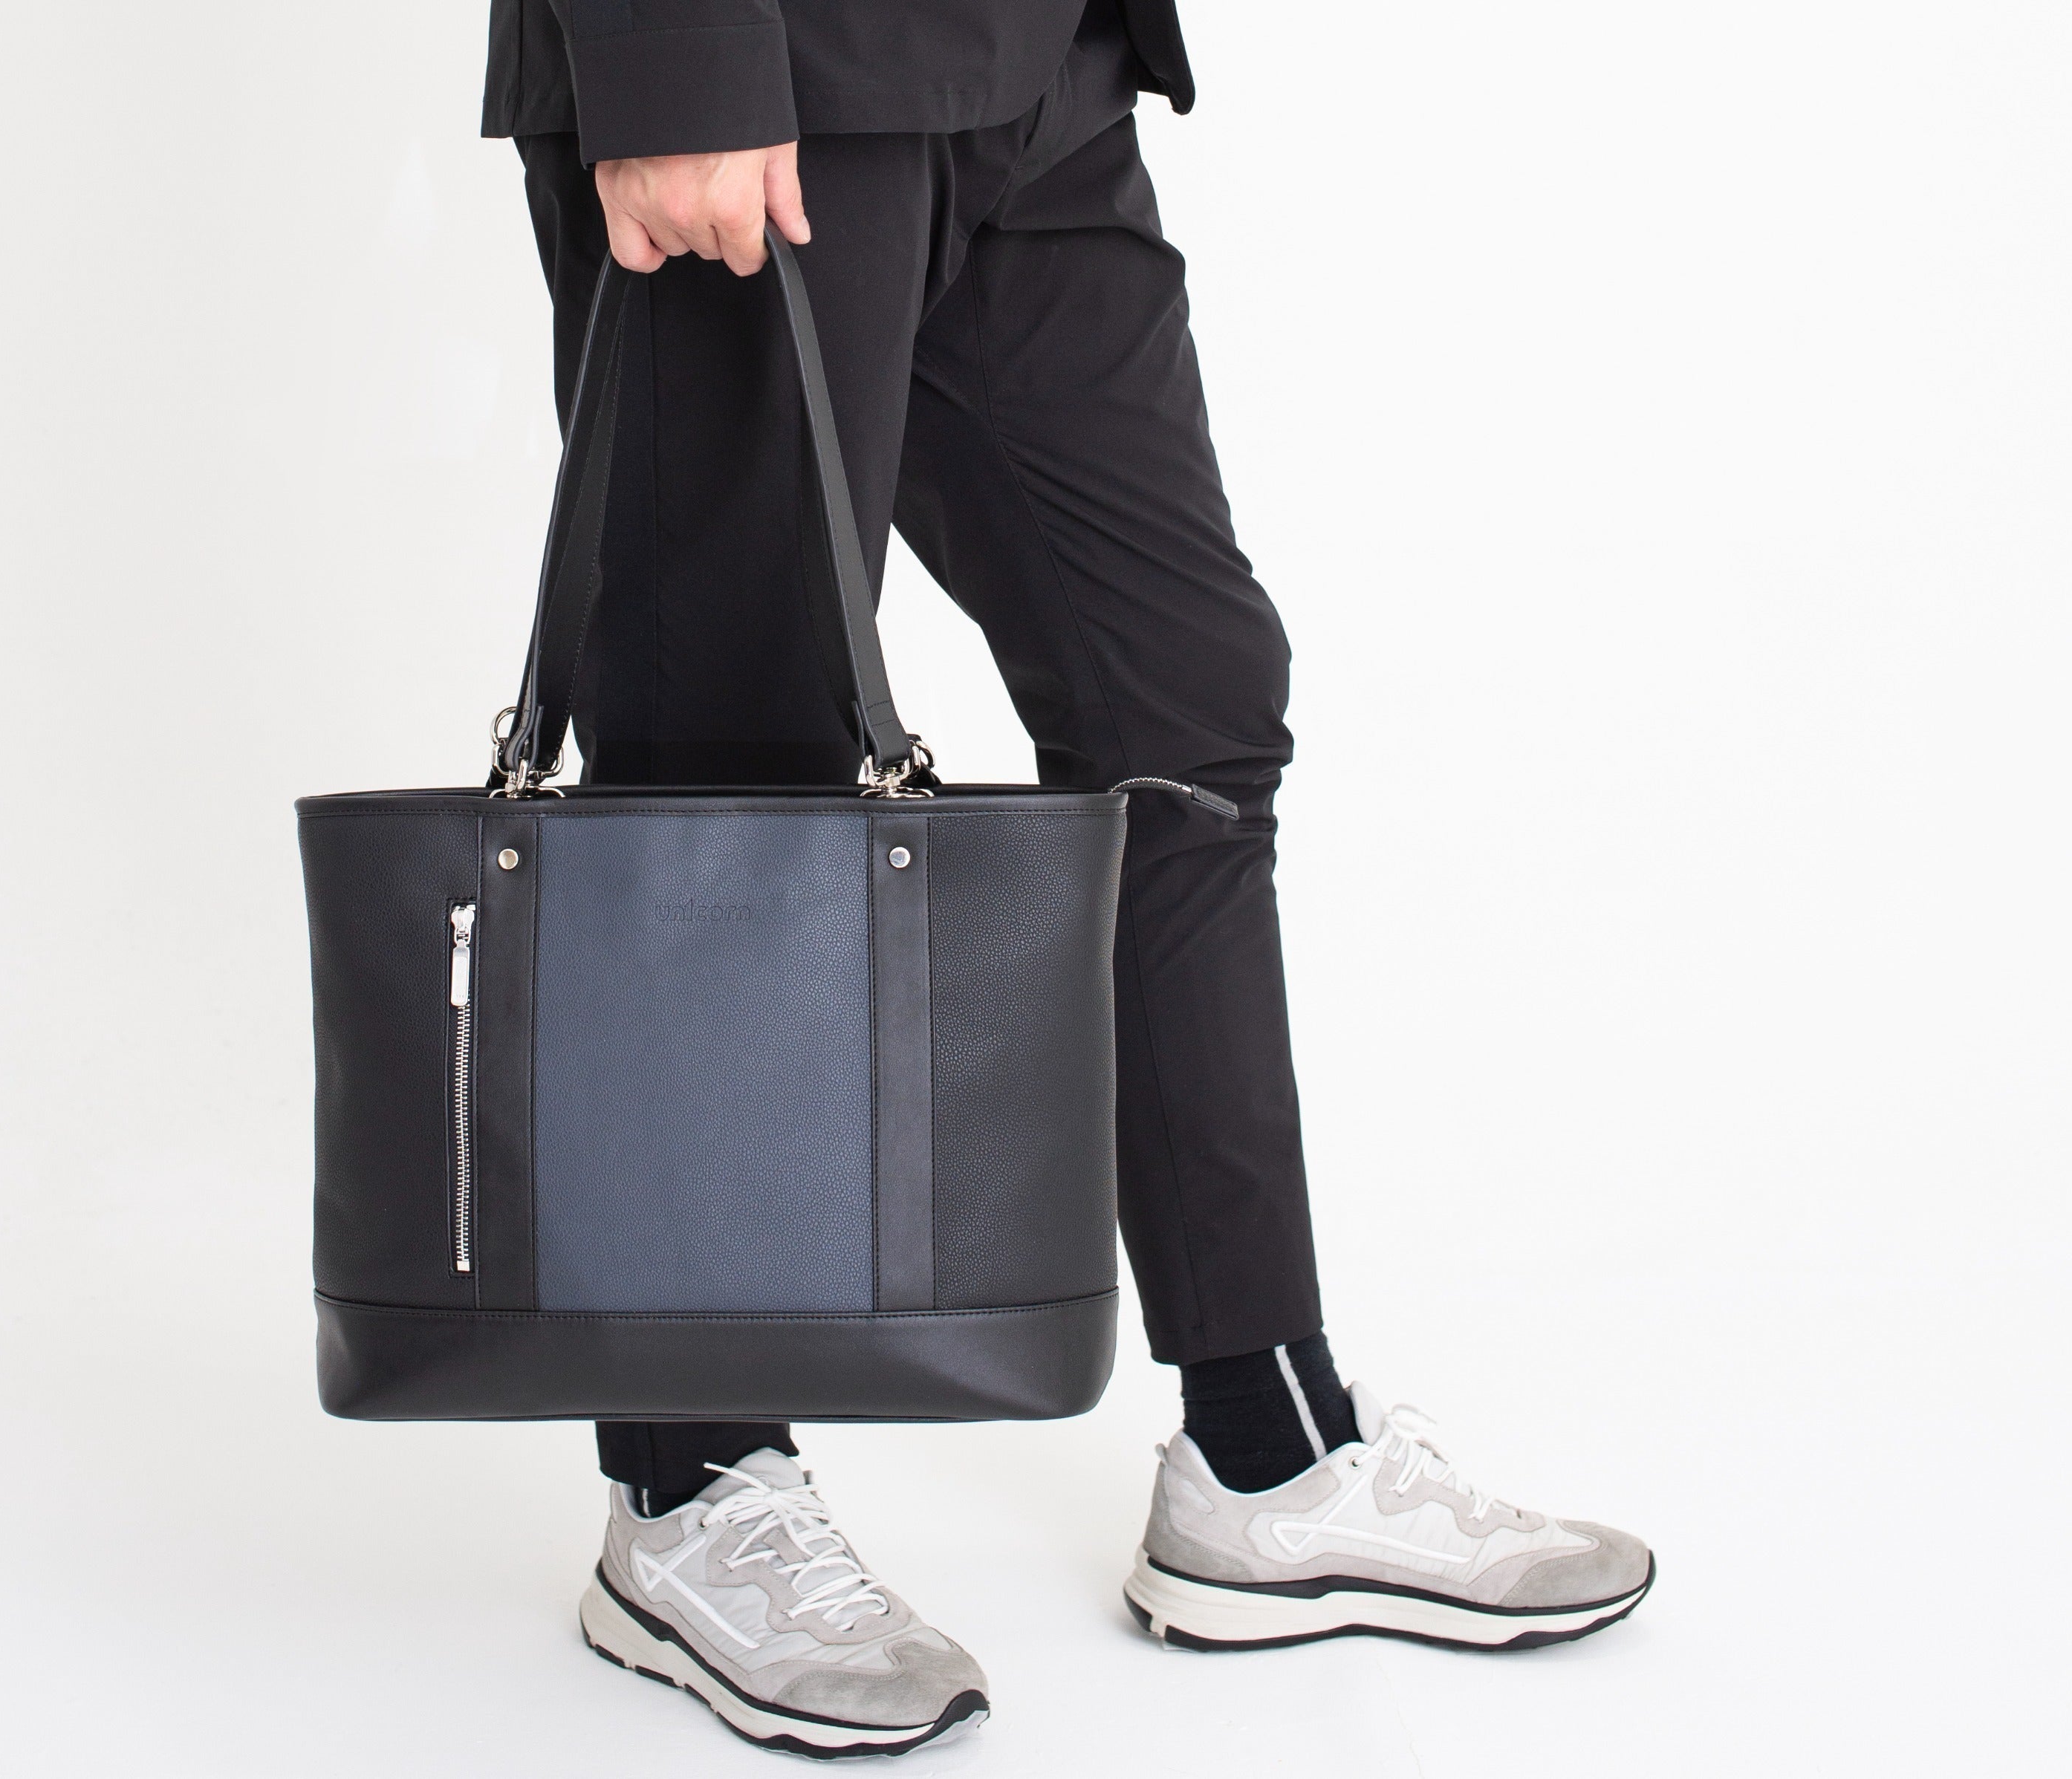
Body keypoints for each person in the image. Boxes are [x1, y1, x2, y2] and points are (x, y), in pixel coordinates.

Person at [481, 0, 1652, 1757]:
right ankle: (687, 1484)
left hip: (1034, 69)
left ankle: (1265, 1449)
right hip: (770, 73)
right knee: (730, 758)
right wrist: (677, 65)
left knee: (1180, 705)